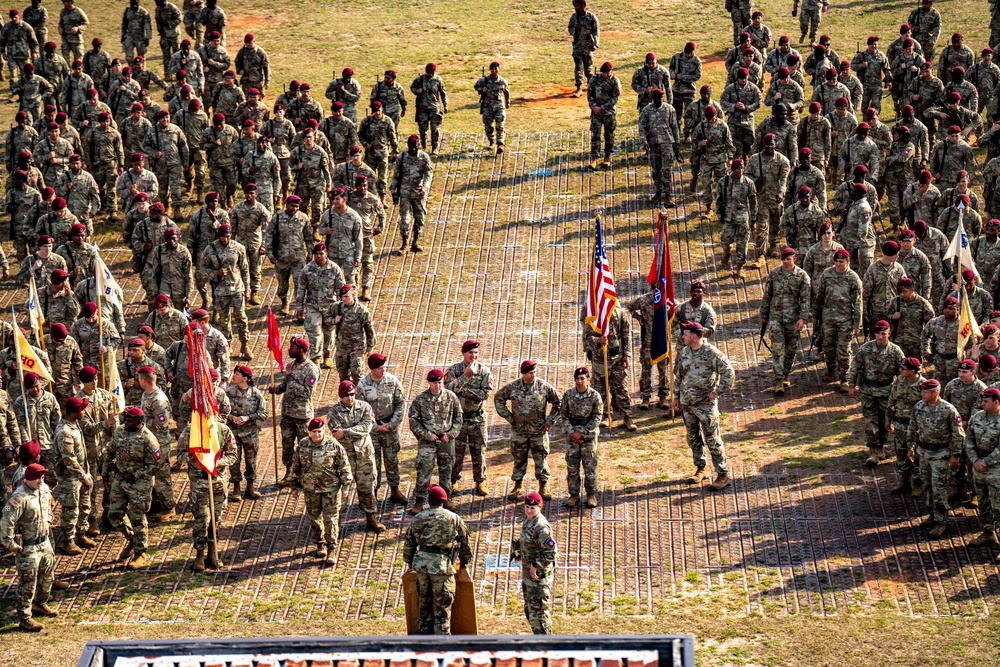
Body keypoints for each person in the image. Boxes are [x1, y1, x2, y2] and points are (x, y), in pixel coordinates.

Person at [402, 484, 472, 635]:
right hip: (442, 567)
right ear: (444, 500)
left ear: (429, 500)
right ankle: (442, 650)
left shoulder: (418, 518)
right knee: (442, 614)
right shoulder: (454, 519)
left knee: (424, 611)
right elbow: (465, 542)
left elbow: (409, 544)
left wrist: (410, 563)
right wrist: (464, 563)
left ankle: (424, 649)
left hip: (421, 568)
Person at [673, 322, 735, 490]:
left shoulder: (712, 354)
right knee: (693, 438)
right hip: (688, 404)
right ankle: (702, 468)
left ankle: (723, 474)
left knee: (712, 440)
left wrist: (717, 392)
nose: (682, 337)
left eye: (685, 334)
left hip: (705, 406)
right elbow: (679, 376)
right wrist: (677, 397)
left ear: (694, 336)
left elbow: (729, 373)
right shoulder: (684, 352)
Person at [0, 463, 57, 632]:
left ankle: (40, 604)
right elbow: (6, 522)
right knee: (27, 583)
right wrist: (11, 544)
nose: (41, 481)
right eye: (37, 478)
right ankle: (25, 617)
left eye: (42, 477)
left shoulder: (44, 489)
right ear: (28, 479)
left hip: (44, 542)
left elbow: (48, 508)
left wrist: (48, 520)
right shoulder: (19, 498)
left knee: (48, 577)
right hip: (28, 547)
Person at [288, 416, 352, 565]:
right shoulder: (303, 445)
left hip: (331, 489)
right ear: (309, 432)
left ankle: (331, 549)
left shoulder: (334, 445)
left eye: (319, 431)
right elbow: (296, 467)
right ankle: (320, 544)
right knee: (315, 519)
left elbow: (344, 466)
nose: (317, 434)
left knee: (330, 520)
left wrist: (345, 487)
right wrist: (294, 486)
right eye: (314, 431)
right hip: (311, 490)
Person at [494, 360, 561, 500]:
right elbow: (498, 398)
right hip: (520, 432)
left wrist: (550, 421)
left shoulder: (543, 386)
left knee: (541, 460)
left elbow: (558, 403)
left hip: (539, 432)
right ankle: (518, 486)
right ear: (523, 373)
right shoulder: (513, 387)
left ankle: (543, 486)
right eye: (530, 373)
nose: (533, 375)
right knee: (519, 459)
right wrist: (509, 417)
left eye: (534, 372)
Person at [104, 406, 161, 570]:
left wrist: (135, 475)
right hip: (120, 479)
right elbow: (110, 453)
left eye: (129, 420)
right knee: (113, 515)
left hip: (139, 483)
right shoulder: (120, 432)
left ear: (139, 422)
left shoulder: (148, 439)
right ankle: (131, 538)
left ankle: (140, 552)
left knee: (137, 517)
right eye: (125, 420)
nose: (125, 423)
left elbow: (155, 465)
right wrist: (106, 474)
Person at [907, 378, 964, 538]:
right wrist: (910, 448)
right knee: (926, 486)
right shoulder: (918, 407)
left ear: (935, 392)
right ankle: (932, 514)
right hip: (923, 452)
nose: (922, 394)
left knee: (939, 489)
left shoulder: (948, 409)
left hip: (941, 454)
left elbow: (958, 434)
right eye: (922, 391)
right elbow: (912, 428)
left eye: (925, 392)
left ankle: (941, 522)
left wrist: (956, 454)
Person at [180, 416, 237, 571]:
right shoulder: (190, 431)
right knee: (201, 521)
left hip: (218, 483)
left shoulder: (223, 430)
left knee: (215, 521)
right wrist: (196, 456)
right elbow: (180, 455)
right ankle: (199, 553)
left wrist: (215, 462)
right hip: (199, 485)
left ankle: (213, 552)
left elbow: (233, 455)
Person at [327, 379, 384, 532]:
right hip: (346, 459)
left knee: (368, 489)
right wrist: (351, 432)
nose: (350, 398)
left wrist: (346, 432)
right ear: (341, 396)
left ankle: (372, 520)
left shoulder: (364, 407)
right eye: (346, 395)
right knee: (342, 491)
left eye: (352, 394)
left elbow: (367, 427)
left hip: (365, 457)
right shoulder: (334, 412)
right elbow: (335, 433)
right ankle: (336, 526)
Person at [849, 320, 906, 466]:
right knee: (870, 422)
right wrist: (852, 385)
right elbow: (855, 366)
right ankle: (873, 451)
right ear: (874, 333)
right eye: (878, 334)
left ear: (889, 333)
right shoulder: (866, 349)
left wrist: (901, 390)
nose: (881, 337)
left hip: (887, 391)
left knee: (883, 421)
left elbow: (903, 372)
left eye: (884, 334)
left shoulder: (895, 351)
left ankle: (881, 447)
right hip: (868, 391)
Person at [407, 368, 462, 514]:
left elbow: (458, 419)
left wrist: (450, 435)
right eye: (434, 383)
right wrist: (426, 435)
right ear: (429, 383)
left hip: (445, 441)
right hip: (428, 441)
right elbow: (413, 421)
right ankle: (419, 501)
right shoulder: (420, 399)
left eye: (439, 382)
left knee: (446, 471)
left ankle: (446, 498)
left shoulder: (451, 397)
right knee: (423, 471)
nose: (437, 386)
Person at [357, 353, 406, 502]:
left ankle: (395, 490)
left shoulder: (393, 381)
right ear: (372, 369)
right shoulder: (363, 385)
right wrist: (376, 428)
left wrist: (391, 425)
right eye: (379, 368)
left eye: (384, 367)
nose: (383, 370)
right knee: (373, 464)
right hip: (372, 432)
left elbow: (401, 404)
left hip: (390, 429)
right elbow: (360, 410)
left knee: (392, 460)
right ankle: (374, 493)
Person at [761, 247, 810, 395]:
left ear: (794, 259)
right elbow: (767, 295)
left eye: (788, 259)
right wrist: (763, 314)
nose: (786, 262)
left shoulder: (802, 276)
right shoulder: (774, 274)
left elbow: (805, 300)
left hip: (793, 318)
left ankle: (786, 373)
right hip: (776, 317)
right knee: (777, 348)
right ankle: (778, 380)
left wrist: (803, 318)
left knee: (791, 348)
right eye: (783, 259)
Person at [270, 337, 319, 485]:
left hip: (302, 415)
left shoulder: (311, 369)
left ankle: (304, 475)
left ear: (302, 350)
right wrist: (276, 389)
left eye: (292, 347)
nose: (289, 350)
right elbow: (285, 385)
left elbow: (308, 392)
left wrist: (293, 381)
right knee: (287, 445)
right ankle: (289, 473)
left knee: (304, 446)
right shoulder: (290, 365)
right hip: (287, 414)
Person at [581, 301, 634, 430]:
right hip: (600, 358)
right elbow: (587, 336)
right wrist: (598, 340)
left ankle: (627, 418)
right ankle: (604, 416)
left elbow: (625, 333)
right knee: (600, 390)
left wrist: (626, 354)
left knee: (622, 389)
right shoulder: (592, 311)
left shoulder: (618, 310)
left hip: (617, 358)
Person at [813, 248, 862, 387]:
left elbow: (858, 302)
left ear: (848, 261)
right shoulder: (827, 274)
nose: (838, 264)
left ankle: (844, 378)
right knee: (828, 346)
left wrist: (856, 324)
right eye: (836, 261)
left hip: (845, 320)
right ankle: (830, 368)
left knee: (844, 349)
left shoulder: (853, 278)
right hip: (828, 318)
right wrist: (815, 317)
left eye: (841, 262)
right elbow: (820, 297)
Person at [511, 491, 556, 634]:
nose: (529, 510)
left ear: (540, 507)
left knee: (539, 613)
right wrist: (518, 553)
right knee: (530, 610)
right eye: (527, 507)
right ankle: (539, 640)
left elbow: (550, 552)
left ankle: (546, 645)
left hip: (539, 577)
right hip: (528, 575)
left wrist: (536, 565)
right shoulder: (528, 521)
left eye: (533, 508)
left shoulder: (542, 527)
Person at [52, 395, 92, 555]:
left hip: (80, 475)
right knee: (71, 509)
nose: (85, 411)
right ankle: (68, 540)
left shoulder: (74, 425)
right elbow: (69, 459)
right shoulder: (65, 432)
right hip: (70, 478)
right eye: (82, 409)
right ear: (75, 411)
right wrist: (83, 476)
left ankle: (80, 534)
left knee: (84, 505)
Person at [559, 366, 602, 507]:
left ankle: (591, 494)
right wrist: (572, 432)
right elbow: (564, 415)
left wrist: (582, 433)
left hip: (588, 437)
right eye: (577, 379)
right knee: (572, 467)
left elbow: (597, 417)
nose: (579, 381)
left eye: (582, 378)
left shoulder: (594, 396)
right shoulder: (568, 395)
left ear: (588, 379)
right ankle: (574, 494)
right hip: (572, 438)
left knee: (589, 467)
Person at [965, 387, 1000, 557]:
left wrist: (984, 462)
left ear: (996, 402)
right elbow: (969, 440)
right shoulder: (976, 417)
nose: (982, 403)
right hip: (978, 467)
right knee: (984, 503)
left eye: (986, 401)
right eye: (982, 400)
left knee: (998, 507)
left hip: (996, 470)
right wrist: (975, 461)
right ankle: (988, 533)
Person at [224, 365, 267, 500]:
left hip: (250, 433)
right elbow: (221, 410)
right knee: (234, 460)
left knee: (251, 461)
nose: (234, 376)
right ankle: (236, 487)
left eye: (237, 374)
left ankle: (250, 486)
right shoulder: (229, 393)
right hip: (234, 433)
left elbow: (264, 413)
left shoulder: (256, 394)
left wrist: (248, 417)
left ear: (245, 378)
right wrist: (232, 418)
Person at [887, 357, 927, 496]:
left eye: (903, 369)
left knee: (915, 455)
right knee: (901, 453)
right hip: (899, 424)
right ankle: (904, 480)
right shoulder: (899, 381)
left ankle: (917, 484)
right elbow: (891, 400)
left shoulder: (923, 385)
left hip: (914, 427)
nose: (900, 371)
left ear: (912, 371)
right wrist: (888, 419)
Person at [390, 134, 433, 253]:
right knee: (405, 219)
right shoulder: (402, 157)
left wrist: (425, 188)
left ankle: (415, 241)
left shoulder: (424, 157)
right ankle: (405, 243)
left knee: (420, 218)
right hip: (404, 193)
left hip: (418, 193)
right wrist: (393, 190)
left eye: (416, 147)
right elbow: (396, 175)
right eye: (411, 147)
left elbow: (428, 174)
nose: (414, 149)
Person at [638, 88, 680, 206]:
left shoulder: (669, 109)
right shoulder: (646, 111)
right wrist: (644, 142)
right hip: (653, 144)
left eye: (662, 97)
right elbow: (642, 127)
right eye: (657, 98)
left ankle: (668, 195)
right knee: (656, 170)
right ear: (653, 98)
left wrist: (677, 142)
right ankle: (658, 191)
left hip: (667, 143)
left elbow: (675, 126)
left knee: (666, 170)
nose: (660, 99)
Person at [587, 61, 621, 169]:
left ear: (611, 71)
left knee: (609, 135)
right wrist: (594, 107)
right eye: (603, 72)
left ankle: (607, 157)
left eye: (607, 72)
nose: (605, 74)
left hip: (609, 113)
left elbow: (615, 98)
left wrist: (602, 108)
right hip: (596, 113)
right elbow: (590, 94)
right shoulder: (595, 79)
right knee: (595, 136)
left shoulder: (615, 81)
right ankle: (594, 159)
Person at [410, 63, 447, 156]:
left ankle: (435, 147)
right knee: (422, 128)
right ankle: (423, 140)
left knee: (435, 128)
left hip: (434, 107)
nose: (430, 74)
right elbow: (412, 87)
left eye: (431, 72)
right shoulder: (420, 79)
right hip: (422, 108)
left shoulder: (438, 80)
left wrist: (445, 104)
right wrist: (417, 91)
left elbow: (443, 92)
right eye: (428, 72)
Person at [474, 62, 510, 155]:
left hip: (499, 106)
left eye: (496, 68)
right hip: (487, 107)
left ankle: (500, 144)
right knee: (488, 126)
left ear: (499, 69)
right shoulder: (484, 80)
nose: (494, 70)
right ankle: (492, 140)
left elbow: (506, 92)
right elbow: (476, 86)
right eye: (493, 69)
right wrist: (482, 90)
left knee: (500, 125)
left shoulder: (503, 81)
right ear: (490, 70)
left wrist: (507, 102)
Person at [568, 0, 598, 97]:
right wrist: (574, 30)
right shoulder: (574, 17)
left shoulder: (591, 17)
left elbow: (596, 31)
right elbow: (570, 28)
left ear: (583, 5)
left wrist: (595, 43)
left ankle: (591, 85)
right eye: (575, 6)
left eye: (578, 6)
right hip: (577, 46)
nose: (576, 8)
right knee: (578, 68)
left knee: (588, 68)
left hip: (587, 46)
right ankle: (579, 88)